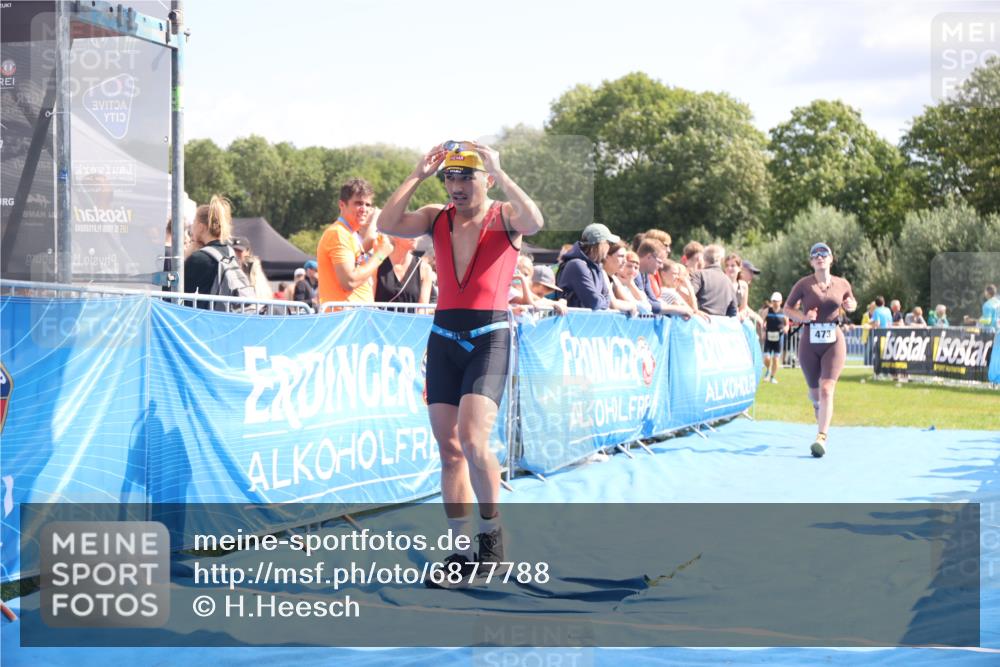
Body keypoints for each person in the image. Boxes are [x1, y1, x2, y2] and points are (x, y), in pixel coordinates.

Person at [378, 141, 543, 583]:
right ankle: (459, 548)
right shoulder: (436, 217)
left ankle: (492, 540)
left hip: (489, 337)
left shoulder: (505, 215)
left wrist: (502, 171)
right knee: (449, 451)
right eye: (449, 177)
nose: (455, 185)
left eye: (465, 176)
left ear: (485, 179)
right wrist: (416, 173)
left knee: (473, 441)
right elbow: (387, 222)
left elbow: (536, 221)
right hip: (443, 338)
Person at [784, 242, 857, 458]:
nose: (819, 257)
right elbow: (787, 309)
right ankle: (819, 418)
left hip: (833, 341)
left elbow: (850, 301)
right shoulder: (804, 284)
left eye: (824, 253)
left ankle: (821, 437)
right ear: (811, 262)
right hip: (809, 343)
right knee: (816, 395)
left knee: (826, 389)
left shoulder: (842, 283)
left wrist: (851, 305)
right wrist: (804, 318)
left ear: (831, 259)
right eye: (815, 255)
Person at [317, 178, 394, 306]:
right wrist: (380, 255)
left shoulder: (350, 234)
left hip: (355, 318)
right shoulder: (338, 234)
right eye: (358, 203)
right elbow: (349, 281)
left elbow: (357, 265)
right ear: (342, 205)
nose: (364, 209)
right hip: (346, 320)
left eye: (368, 205)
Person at [183, 195, 240, 309]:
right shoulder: (230, 252)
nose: (191, 227)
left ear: (201, 227)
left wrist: (187, 255)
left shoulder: (198, 259)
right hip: (228, 318)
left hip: (204, 321)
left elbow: (178, 295)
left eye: (194, 222)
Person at [556, 223, 618, 310]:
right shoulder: (576, 265)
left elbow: (607, 300)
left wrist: (602, 301)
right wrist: (603, 300)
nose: (609, 247)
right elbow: (594, 303)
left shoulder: (598, 267)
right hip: (571, 322)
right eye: (608, 243)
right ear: (600, 244)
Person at [374, 235, 433, 305]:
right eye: (408, 230)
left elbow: (422, 309)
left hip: (412, 316)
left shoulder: (425, 269)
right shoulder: (377, 264)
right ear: (394, 235)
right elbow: (370, 302)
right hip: (380, 316)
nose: (414, 236)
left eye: (417, 232)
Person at [690, 244, 738, 317]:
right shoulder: (728, 280)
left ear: (704, 259)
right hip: (720, 325)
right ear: (721, 260)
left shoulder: (698, 275)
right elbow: (733, 311)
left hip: (700, 322)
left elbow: (689, 295)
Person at [600, 242, 639, 315]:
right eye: (621, 256)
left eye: (625, 257)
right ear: (606, 257)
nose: (624, 261)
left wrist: (632, 305)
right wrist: (631, 306)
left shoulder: (614, 278)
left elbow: (630, 302)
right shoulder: (601, 273)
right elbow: (613, 304)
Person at [762, 292, 788, 383]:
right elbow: (763, 322)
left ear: (781, 301)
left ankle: (772, 377)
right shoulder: (767, 311)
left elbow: (787, 324)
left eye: (777, 301)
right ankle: (768, 370)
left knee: (776, 359)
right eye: (773, 301)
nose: (775, 303)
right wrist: (763, 331)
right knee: (767, 358)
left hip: (779, 338)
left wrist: (786, 328)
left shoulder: (784, 312)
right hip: (769, 337)